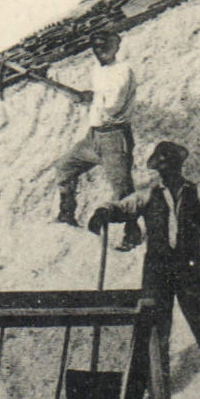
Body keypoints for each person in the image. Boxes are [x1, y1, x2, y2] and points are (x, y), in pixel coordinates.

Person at [90, 141, 200, 386]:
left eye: (170, 167)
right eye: (162, 168)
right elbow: (122, 207)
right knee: (154, 325)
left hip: (189, 266)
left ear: (178, 167)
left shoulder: (197, 192)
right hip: (157, 269)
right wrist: (103, 213)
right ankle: (156, 384)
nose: (166, 172)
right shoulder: (149, 194)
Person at [53, 30, 143, 250]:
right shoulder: (98, 71)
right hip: (94, 137)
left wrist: (92, 98)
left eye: (104, 45)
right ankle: (66, 215)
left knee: (122, 189)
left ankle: (132, 233)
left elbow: (112, 105)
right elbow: (101, 97)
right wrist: (90, 96)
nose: (99, 50)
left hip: (114, 137)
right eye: (96, 46)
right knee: (65, 167)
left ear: (116, 46)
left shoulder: (123, 71)